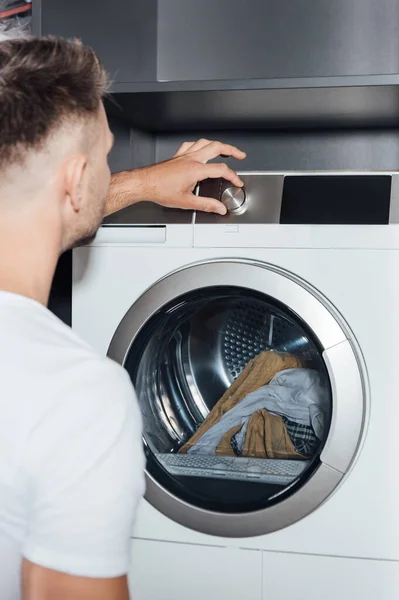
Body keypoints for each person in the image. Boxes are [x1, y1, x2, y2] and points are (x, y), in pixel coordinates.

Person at [0, 36, 246, 600]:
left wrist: (140, 185)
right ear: (75, 179)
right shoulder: (75, 393)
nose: (113, 172)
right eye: (110, 158)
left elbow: (37, 205)